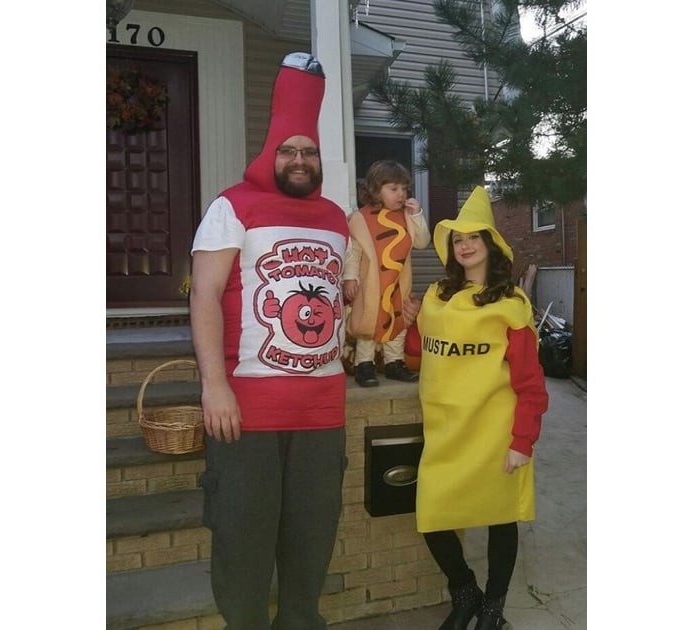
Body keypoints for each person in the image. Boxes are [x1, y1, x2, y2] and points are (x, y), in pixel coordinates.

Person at [188, 52, 349, 630]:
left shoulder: (335, 217)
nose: (299, 160)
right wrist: (214, 387)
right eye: (288, 150)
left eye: (309, 151)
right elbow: (205, 295)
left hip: (323, 411)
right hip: (247, 411)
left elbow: (342, 302)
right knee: (243, 543)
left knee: (311, 543)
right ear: (269, 154)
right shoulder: (233, 206)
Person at [409, 186, 549, 630]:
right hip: (445, 432)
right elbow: (417, 353)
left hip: (495, 433)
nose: (465, 245)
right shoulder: (437, 295)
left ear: (490, 243)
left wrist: (522, 441)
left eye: (474, 237)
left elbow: (530, 383)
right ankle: (465, 592)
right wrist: (410, 322)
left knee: (499, 519)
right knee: (432, 517)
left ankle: (493, 608)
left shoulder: (511, 304)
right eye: (458, 239)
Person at [343, 159, 429, 387]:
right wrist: (350, 277)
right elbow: (354, 251)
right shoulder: (361, 218)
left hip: (398, 284)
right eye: (393, 188)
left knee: (398, 321)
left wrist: (417, 215)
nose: (401, 194)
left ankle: (394, 362)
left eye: (404, 189)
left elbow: (422, 242)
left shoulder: (406, 217)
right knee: (368, 322)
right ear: (375, 190)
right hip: (370, 284)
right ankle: (364, 364)